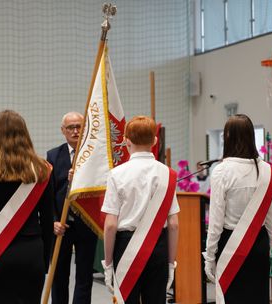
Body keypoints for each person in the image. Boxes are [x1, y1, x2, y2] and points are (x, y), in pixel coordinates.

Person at [0, 110, 55, 303]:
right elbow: (49, 221)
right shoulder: (42, 170)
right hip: (32, 254)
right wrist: (44, 261)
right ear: (25, 134)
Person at [101, 115, 180, 304]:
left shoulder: (116, 174)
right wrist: (170, 263)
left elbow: (110, 225)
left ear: (126, 141)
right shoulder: (168, 174)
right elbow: (174, 224)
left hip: (126, 245)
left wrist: (108, 264)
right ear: (155, 140)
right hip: (158, 246)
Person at [203, 114, 272, 304]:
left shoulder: (222, 171)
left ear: (228, 138)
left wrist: (209, 256)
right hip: (259, 244)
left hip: (230, 245)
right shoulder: (268, 170)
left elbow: (216, 222)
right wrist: (270, 248)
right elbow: (270, 219)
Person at [47, 111, 98, 304]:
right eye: (71, 127)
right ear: (63, 130)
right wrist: (52, 221)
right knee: (59, 275)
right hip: (61, 226)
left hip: (87, 223)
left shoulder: (94, 156)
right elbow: (48, 194)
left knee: (85, 276)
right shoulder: (53, 156)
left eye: (79, 126)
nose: (75, 131)